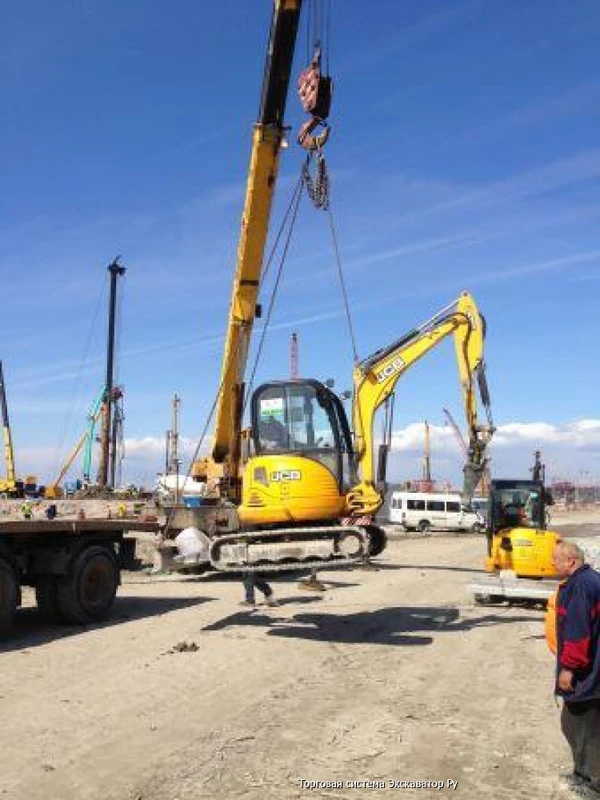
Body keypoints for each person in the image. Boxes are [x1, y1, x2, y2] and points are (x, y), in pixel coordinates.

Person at [552, 540, 600, 795]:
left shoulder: (580, 587)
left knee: (583, 728)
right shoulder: (592, 579)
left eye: (556, 559)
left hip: (586, 675)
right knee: (579, 725)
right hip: (593, 670)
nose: (552, 563)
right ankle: (582, 774)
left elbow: (578, 633)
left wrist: (568, 668)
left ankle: (593, 784)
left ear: (571, 561)